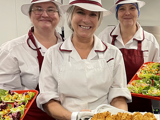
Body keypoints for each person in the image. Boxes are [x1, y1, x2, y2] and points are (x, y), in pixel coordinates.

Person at [36, 0, 132, 120]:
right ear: (70, 16)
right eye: (80, 12)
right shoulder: (53, 54)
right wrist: (74, 116)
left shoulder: (113, 53)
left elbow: (118, 96)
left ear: (99, 19)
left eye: (93, 14)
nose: (86, 20)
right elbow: (48, 100)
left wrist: (120, 117)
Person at [0, 0, 64, 119]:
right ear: (30, 15)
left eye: (51, 10)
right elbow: (7, 99)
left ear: (58, 16)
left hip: (67, 115)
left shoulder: (69, 47)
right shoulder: (11, 50)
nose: (45, 14)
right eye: (38, 9)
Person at [98, 0, 160, 113]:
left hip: (141, 106)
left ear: (138, 12)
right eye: (122, 9)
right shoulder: (104, 36)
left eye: (132, 8)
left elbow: (157, 75)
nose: (127, 13)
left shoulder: (150, 40)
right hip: (109, 104)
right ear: (116, 13)